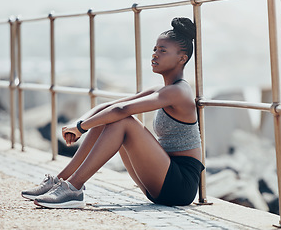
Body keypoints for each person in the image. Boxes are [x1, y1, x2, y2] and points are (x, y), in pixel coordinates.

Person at [21, 17, 204, 209]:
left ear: (182, 58)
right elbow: (109, 107)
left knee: (123, 121)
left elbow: (121, 111)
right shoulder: (161, 90)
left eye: (163, 51)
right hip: (162, 178)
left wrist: (81, 128)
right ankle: (61, 180)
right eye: (155, 49)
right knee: (111, 118)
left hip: (180, 184)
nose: (155, 55)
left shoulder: (179, 92)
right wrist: (79, 123)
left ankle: (73, 189)